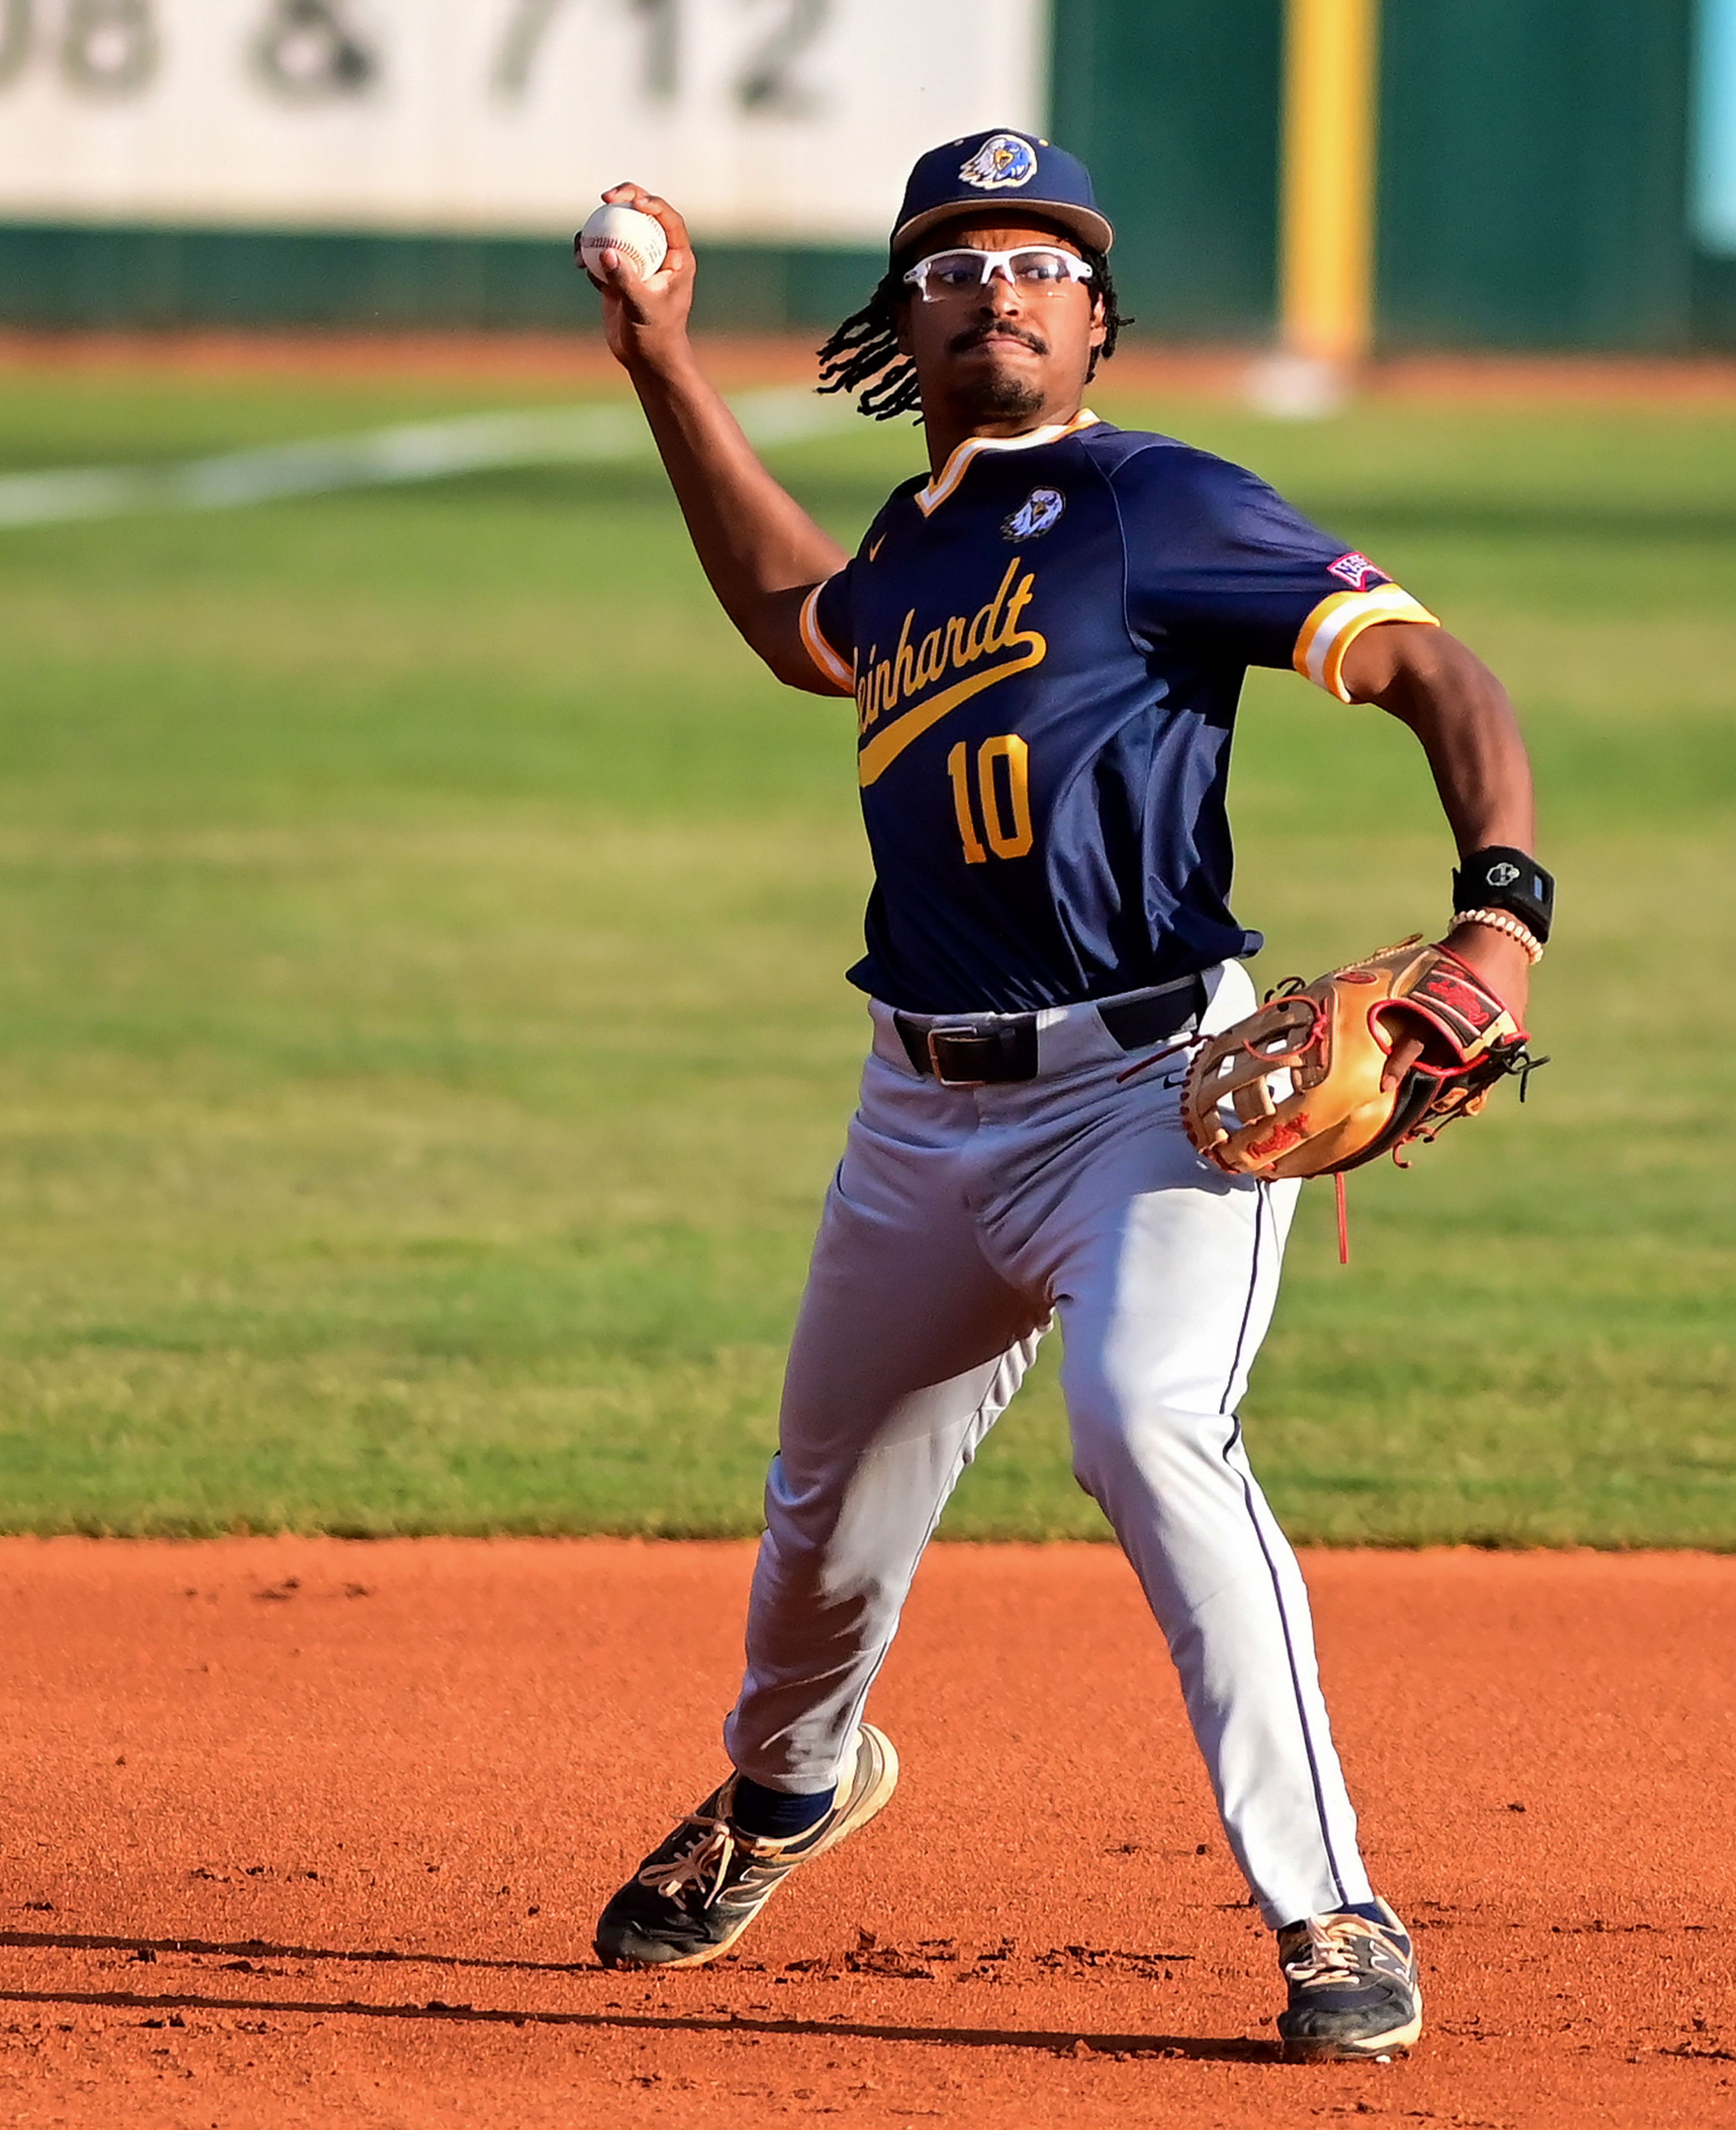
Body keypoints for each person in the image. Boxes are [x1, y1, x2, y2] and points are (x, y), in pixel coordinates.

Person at [584, 129, 1545, 2063]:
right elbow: (805, 627)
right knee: (819, 1538)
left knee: (1144, 1423)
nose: (1000, 286)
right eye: (957, 263)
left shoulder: (1156, 503)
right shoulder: (917, 549)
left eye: (1042, 263)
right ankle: (792, 1787)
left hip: (1154, 1102)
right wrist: (664, 363)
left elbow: (1434, 665)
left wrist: (1500, 917)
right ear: (904, 320)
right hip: (918, 1122)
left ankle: (1329, 1908)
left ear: (1098, 323)